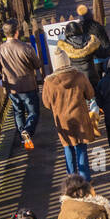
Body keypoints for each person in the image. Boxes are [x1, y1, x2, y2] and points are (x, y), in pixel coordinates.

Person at [41, 48, 99, 180]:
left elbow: (46, 104)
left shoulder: (49, 82)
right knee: (81, 147)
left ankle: (72, 179)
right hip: (80, 117)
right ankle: (85, 179)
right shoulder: (79, 76)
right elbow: (90, 94)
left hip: (62, 120)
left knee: (68, 146)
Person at [0, 21, 43, 149]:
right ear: (17, 32)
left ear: (5, 34)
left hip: (12, 88)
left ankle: (22, 137)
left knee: (18, 111)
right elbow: (37, 64)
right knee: (33, 112)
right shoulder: (26, 47)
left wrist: (2, 82)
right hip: (28, 85)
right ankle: (28, 131)